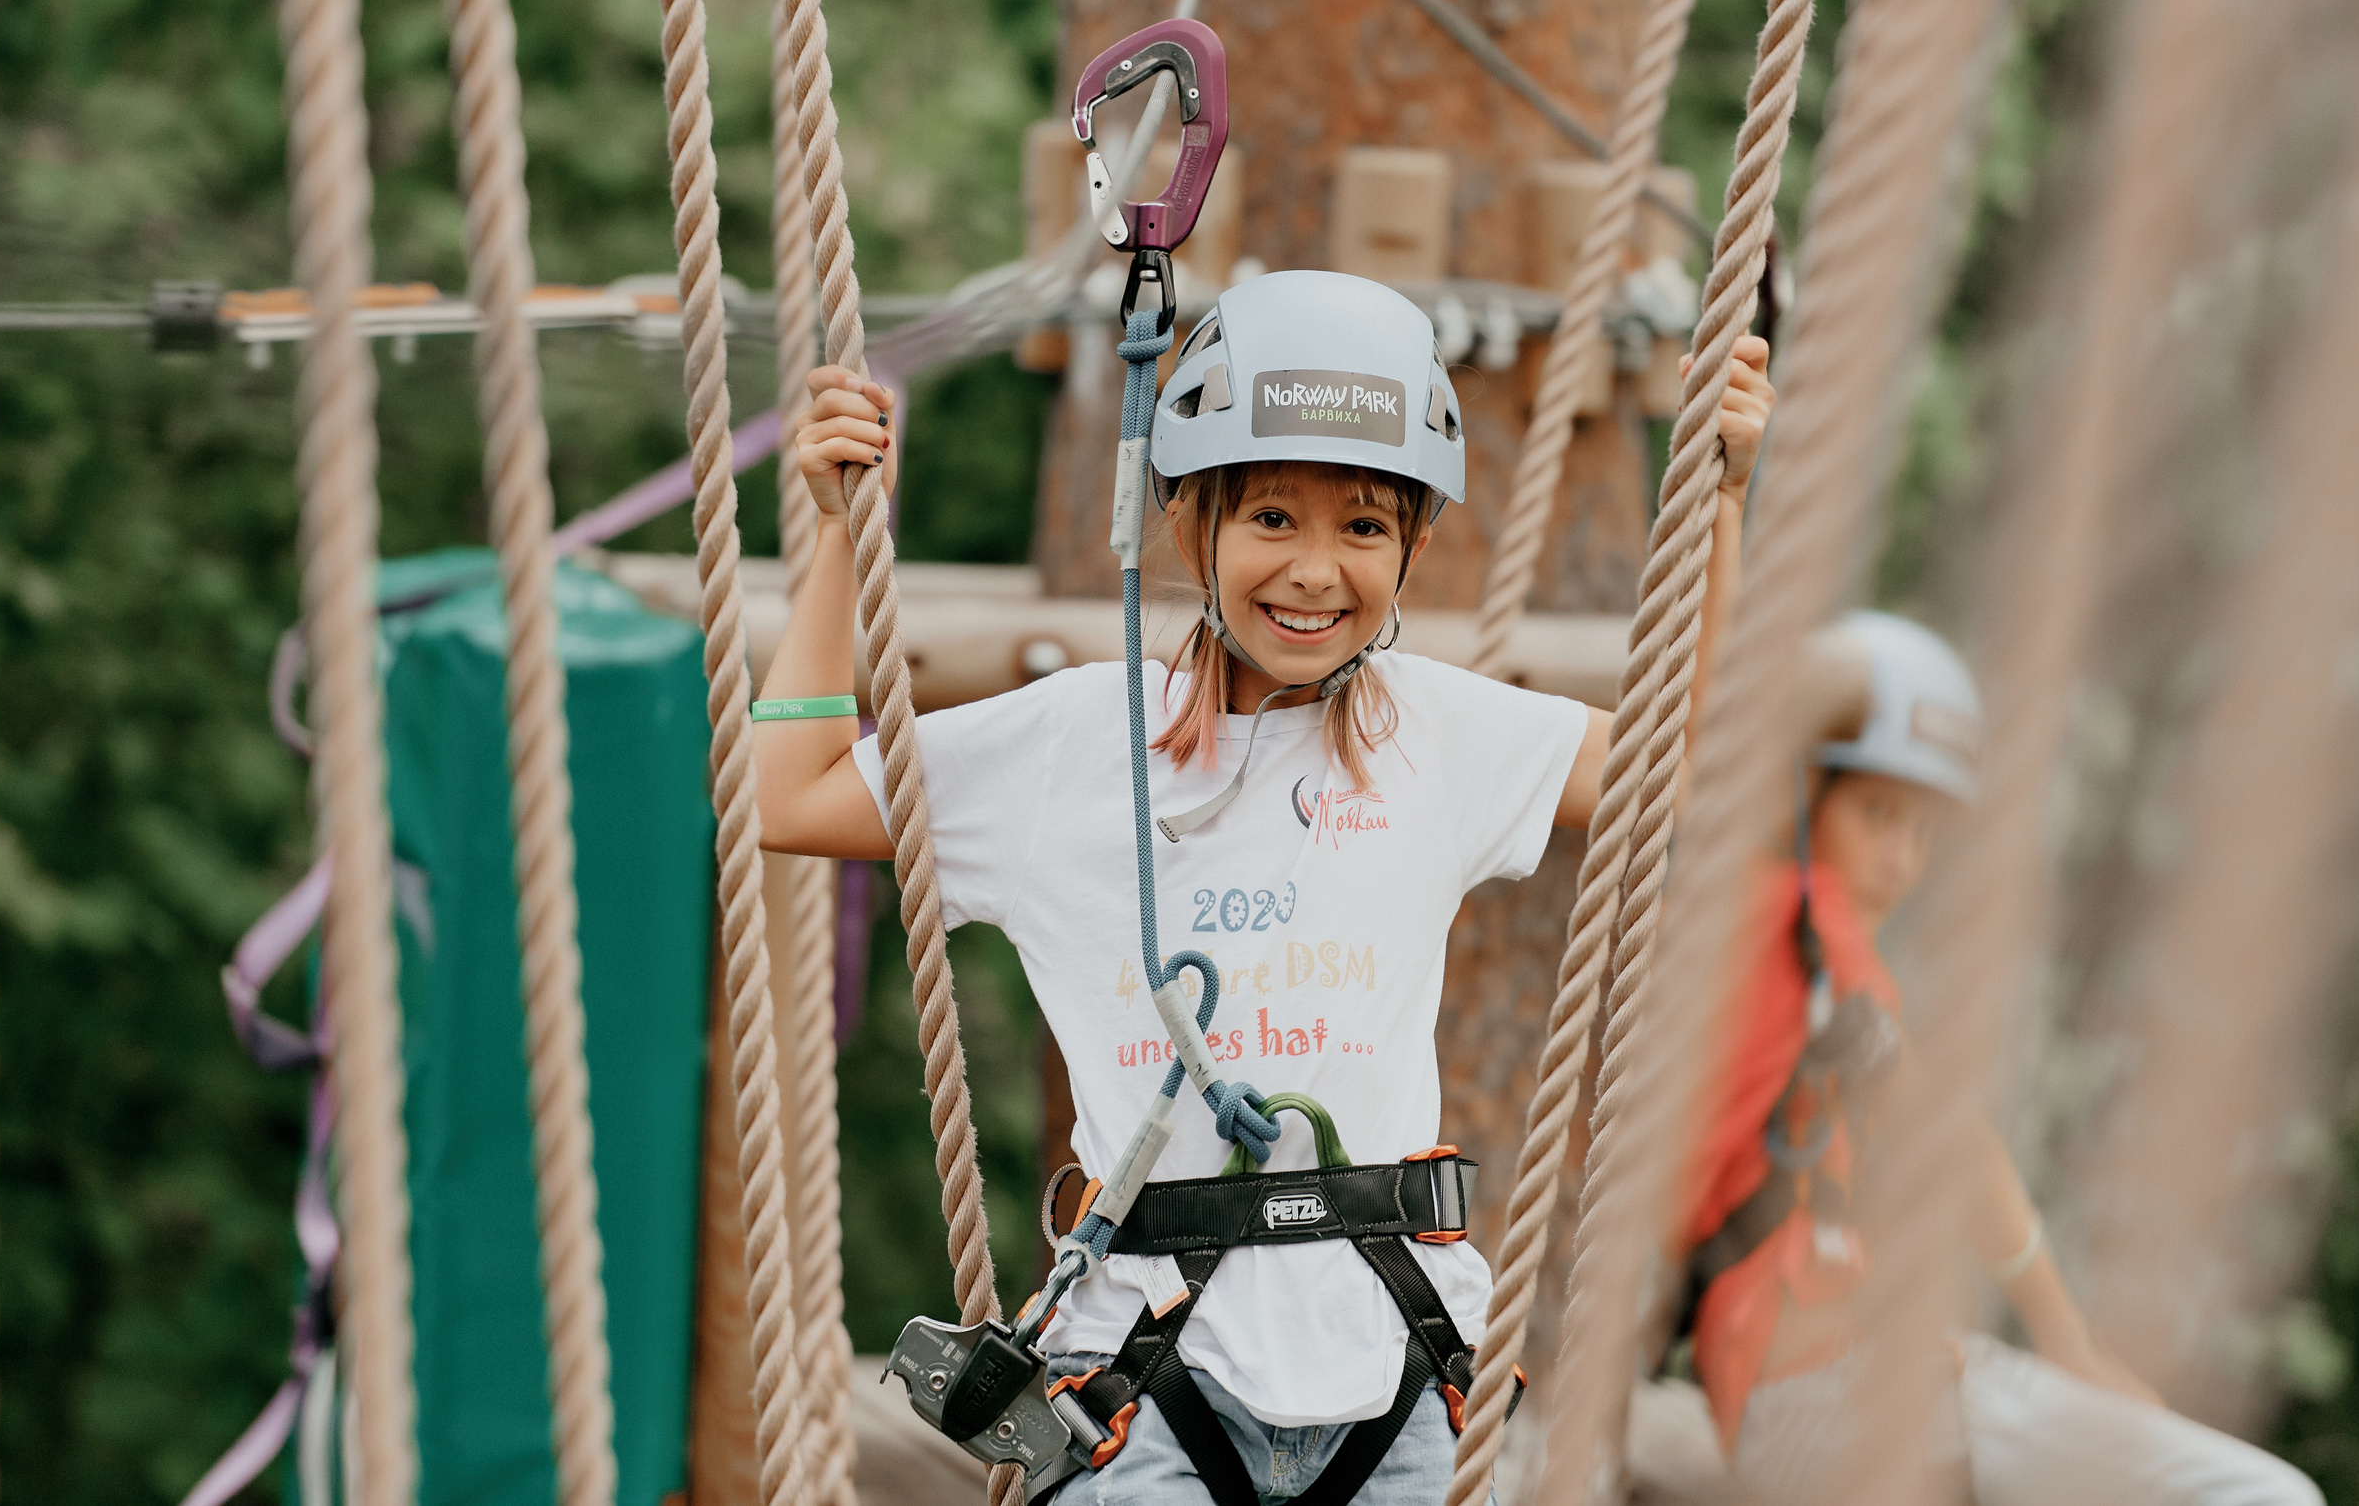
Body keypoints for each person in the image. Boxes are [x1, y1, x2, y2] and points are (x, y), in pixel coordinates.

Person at [755, 267, 1773, 1505]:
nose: (1313, 571)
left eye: (1362, 527)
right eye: (1271, 519)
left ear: (1409, 549)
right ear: (1193, 526)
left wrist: (1718, 497)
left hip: (1396, 1373)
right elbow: (788, 797)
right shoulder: (1078, 746)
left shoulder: (1433, 737)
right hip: (1148, 1375)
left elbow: (1704, 765)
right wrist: (827, 539)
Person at [1676, 609, 2324, 1505]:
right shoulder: (1798, 920)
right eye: (1876, 812)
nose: (1900, 858)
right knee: (2267, 1497)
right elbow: (1957, 1149)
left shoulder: (1772, 959)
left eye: (1920, 828)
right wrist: (2070, 1343)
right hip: (1839, 1385)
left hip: (1780, 1409)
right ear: (1803, 792)